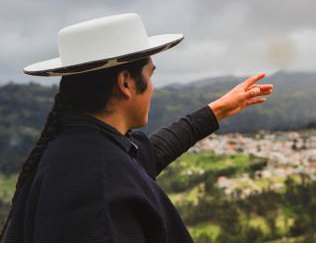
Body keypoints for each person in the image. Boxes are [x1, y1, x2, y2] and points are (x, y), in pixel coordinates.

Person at [0, 13, 273, 242]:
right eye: (150, 75)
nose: (153, 87)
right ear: (126, 83)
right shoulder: (98, 187)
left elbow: (150, 152)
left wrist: (217, 110)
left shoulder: (82, 146)